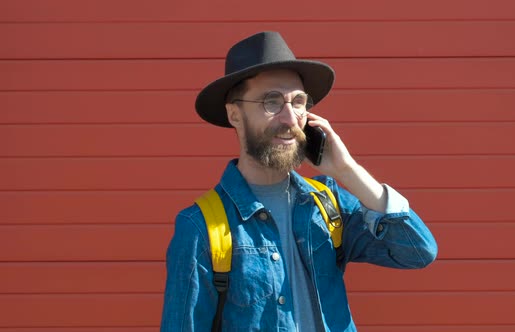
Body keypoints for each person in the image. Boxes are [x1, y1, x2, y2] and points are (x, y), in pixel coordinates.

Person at [161, 31, 437, 332]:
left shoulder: (328, 204)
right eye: (272, 102)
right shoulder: (201, 226)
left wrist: (347, 171)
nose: (291, 119)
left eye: (299, 102)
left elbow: (418, 251)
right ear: (234, 114)